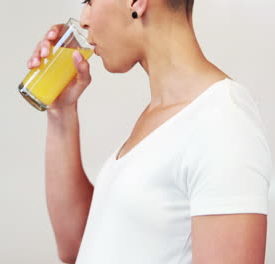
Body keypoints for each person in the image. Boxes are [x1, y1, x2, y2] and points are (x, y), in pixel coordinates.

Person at [26, 0, 272, 263]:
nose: (83, 20)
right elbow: (76, 244)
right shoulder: (163, 117)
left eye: (89, 1)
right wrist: (62, 112)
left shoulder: (223, 122)